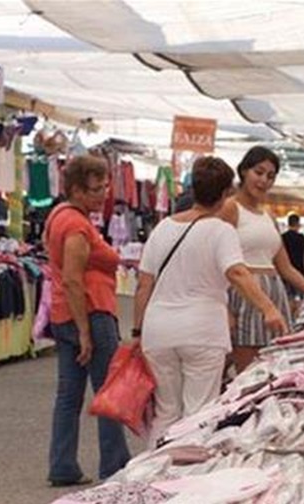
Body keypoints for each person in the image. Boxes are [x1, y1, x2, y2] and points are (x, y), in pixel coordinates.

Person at [133, 157, 288, 446]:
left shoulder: (163, 228)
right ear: (225, 193)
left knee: (166, 412)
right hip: (202, 330)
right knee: (198, 411)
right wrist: (268, 308)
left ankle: (149, 474)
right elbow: (237, 273)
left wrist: (137, 331)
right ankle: (184, 478)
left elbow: (144, 285)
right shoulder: (220, 231)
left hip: (159, 331)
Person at [44, 155, 130, 487]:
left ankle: (63, 464)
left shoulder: (59, 217)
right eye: (96, 189)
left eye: (105, 186)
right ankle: (115, 463)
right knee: (107, 391)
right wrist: (84, 330)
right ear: (77, 190)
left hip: (66, 311)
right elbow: (74, 278)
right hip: (90, 312)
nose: (103, 194)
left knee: (69, 395)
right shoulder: (77, 225)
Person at [220, 146, 304, 372]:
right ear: (244, 171)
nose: (264, 180)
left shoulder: (268, 216)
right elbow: (216, 263)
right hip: (245, 296)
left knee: (274, 371)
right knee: (248, 373)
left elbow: (286, 268)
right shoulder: (230, 208)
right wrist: (225, 310)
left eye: (270, 176)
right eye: (259, 172)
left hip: (274, 295)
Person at [281, 213, 304, 313]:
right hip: (300, 270)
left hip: (286, 271)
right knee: (302, 298)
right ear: (298, 224)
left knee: (289, 297)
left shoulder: (283, 237)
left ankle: (291, 316)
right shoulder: (301, 237)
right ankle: (299, 316)